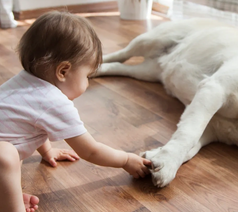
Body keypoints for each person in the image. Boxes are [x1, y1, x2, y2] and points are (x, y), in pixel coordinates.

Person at [0, 11, 152, 212]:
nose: (88, 82)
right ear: (63, 71)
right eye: (87, 75)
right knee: (7, 156)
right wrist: (125, 159)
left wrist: (47, 151)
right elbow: (91, 150)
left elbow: (31, 124)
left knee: (9, 157)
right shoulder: (53, 101)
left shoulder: (23, 82)